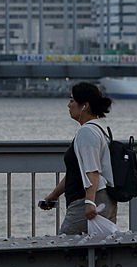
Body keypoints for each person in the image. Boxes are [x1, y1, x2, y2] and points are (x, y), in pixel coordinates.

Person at [38, 81, 118, 234]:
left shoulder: (87, 132)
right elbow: (77, 171)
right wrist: (54, 195)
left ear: (84, 106)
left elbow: (93, 171)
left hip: (87, 200)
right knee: (95, 250)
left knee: (66, 249)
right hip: (102, 198)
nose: (68, 105)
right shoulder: (100, 129)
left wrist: (89, 202)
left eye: (72, 100)